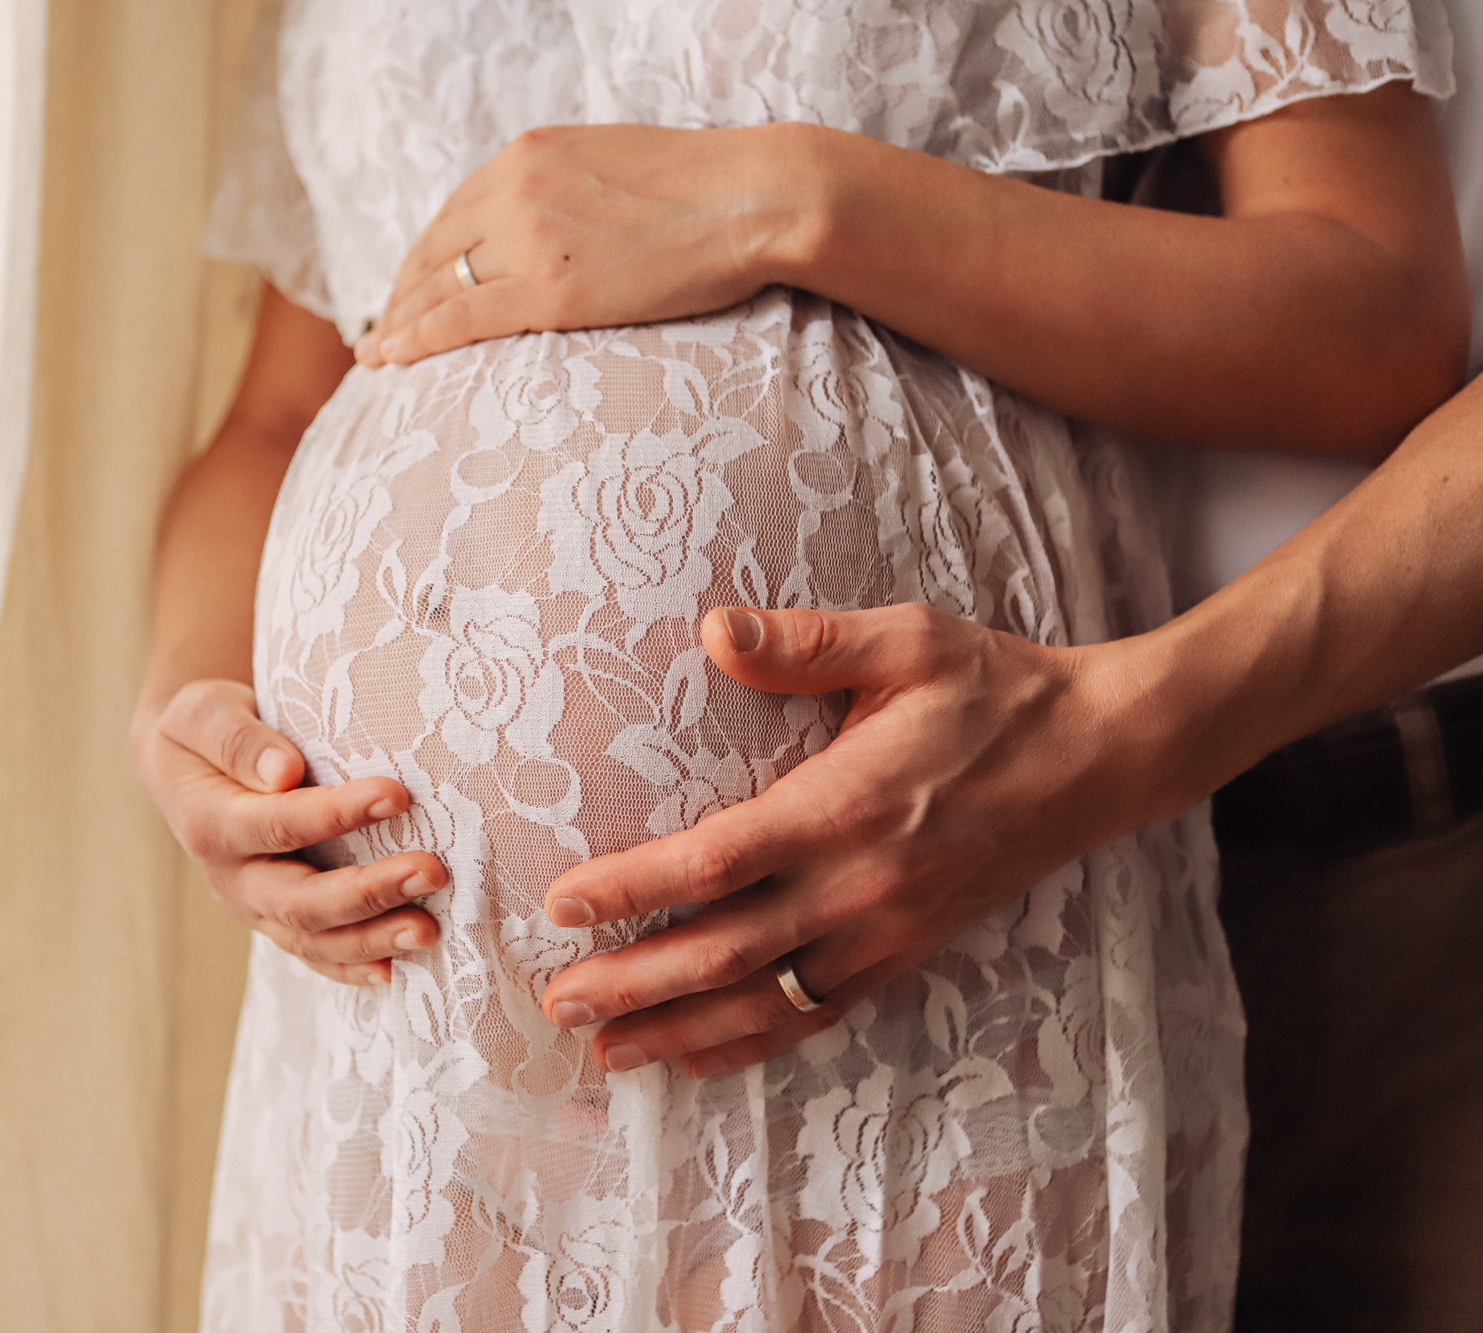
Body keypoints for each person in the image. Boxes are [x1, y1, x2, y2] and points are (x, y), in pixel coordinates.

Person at [134, 2, 1463, 1327]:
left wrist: (792, 196)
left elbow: (1375, 319)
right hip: (413, 1060)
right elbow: (277, 411)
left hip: (923, 967)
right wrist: (186, 709)